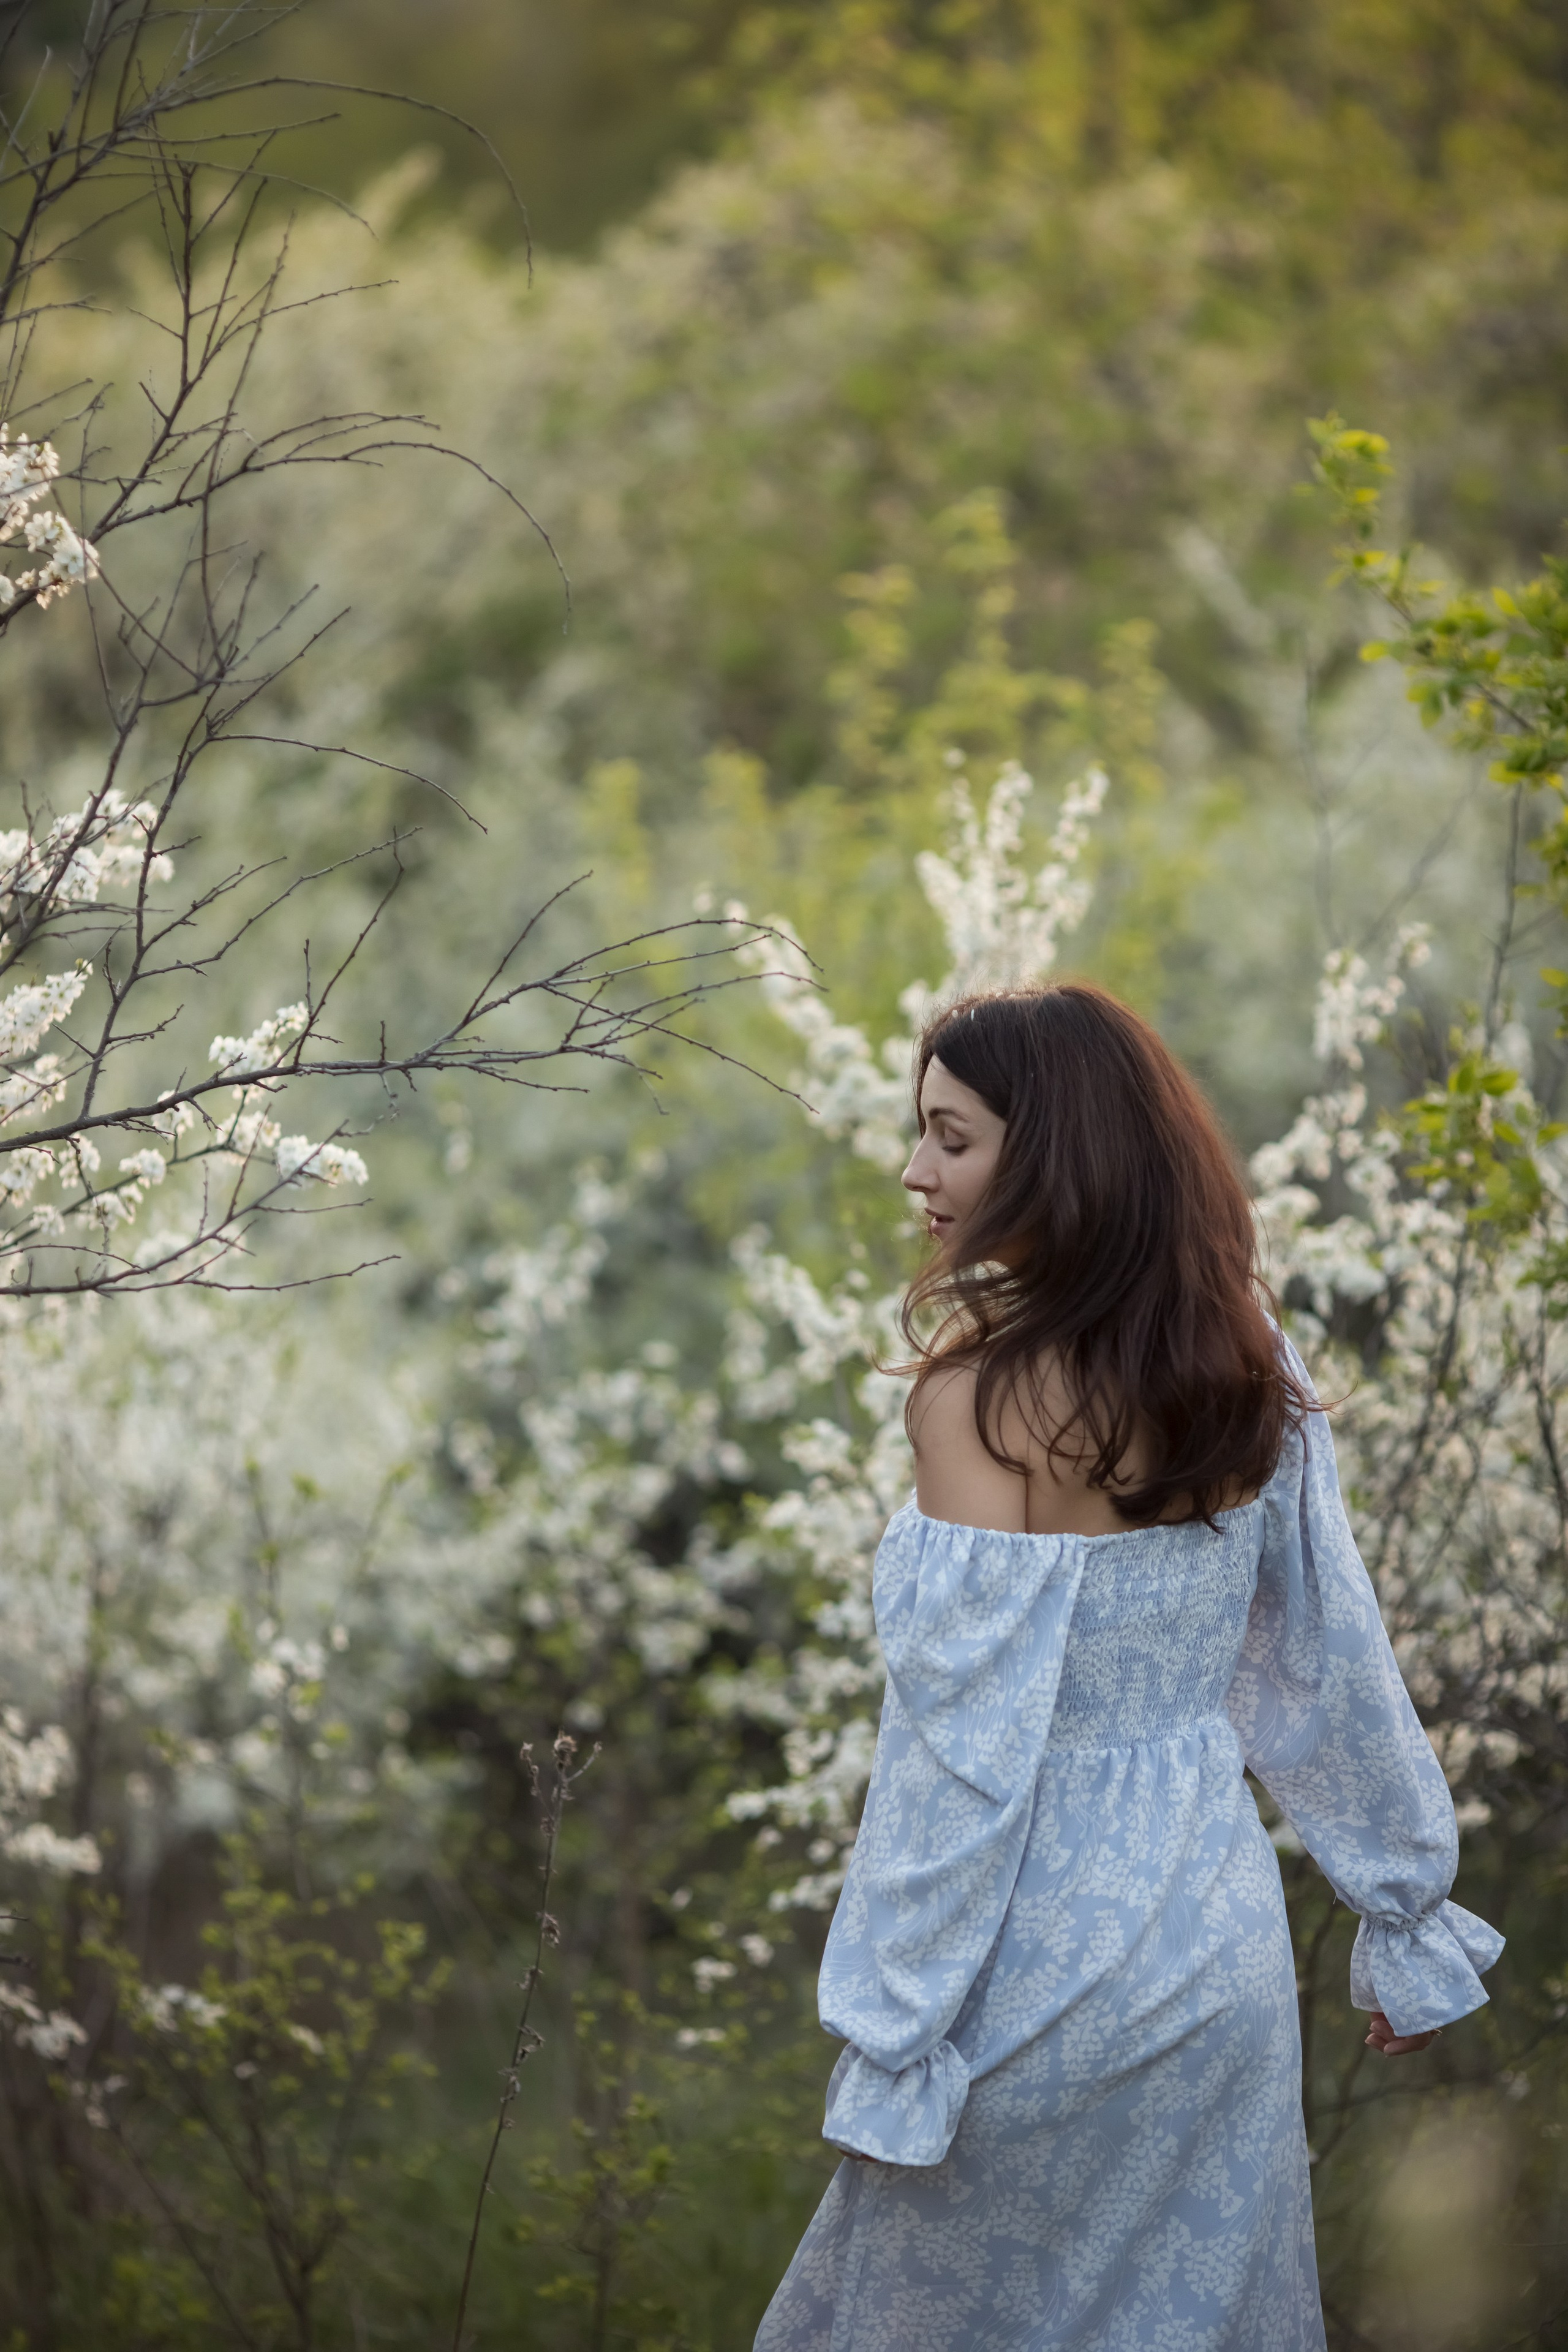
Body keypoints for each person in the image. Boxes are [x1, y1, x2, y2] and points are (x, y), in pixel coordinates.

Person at [754, 982, 1502, 2352]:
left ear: (1054, 1154)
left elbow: (958, 1765)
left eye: (950, 1138)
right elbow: (1326, 1657)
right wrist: (1402, 1911)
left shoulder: (975, 1402)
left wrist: (895, 2030)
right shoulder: (1247, 1361)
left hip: (1029, 1976)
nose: (914, 1171)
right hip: (1214, 1949)